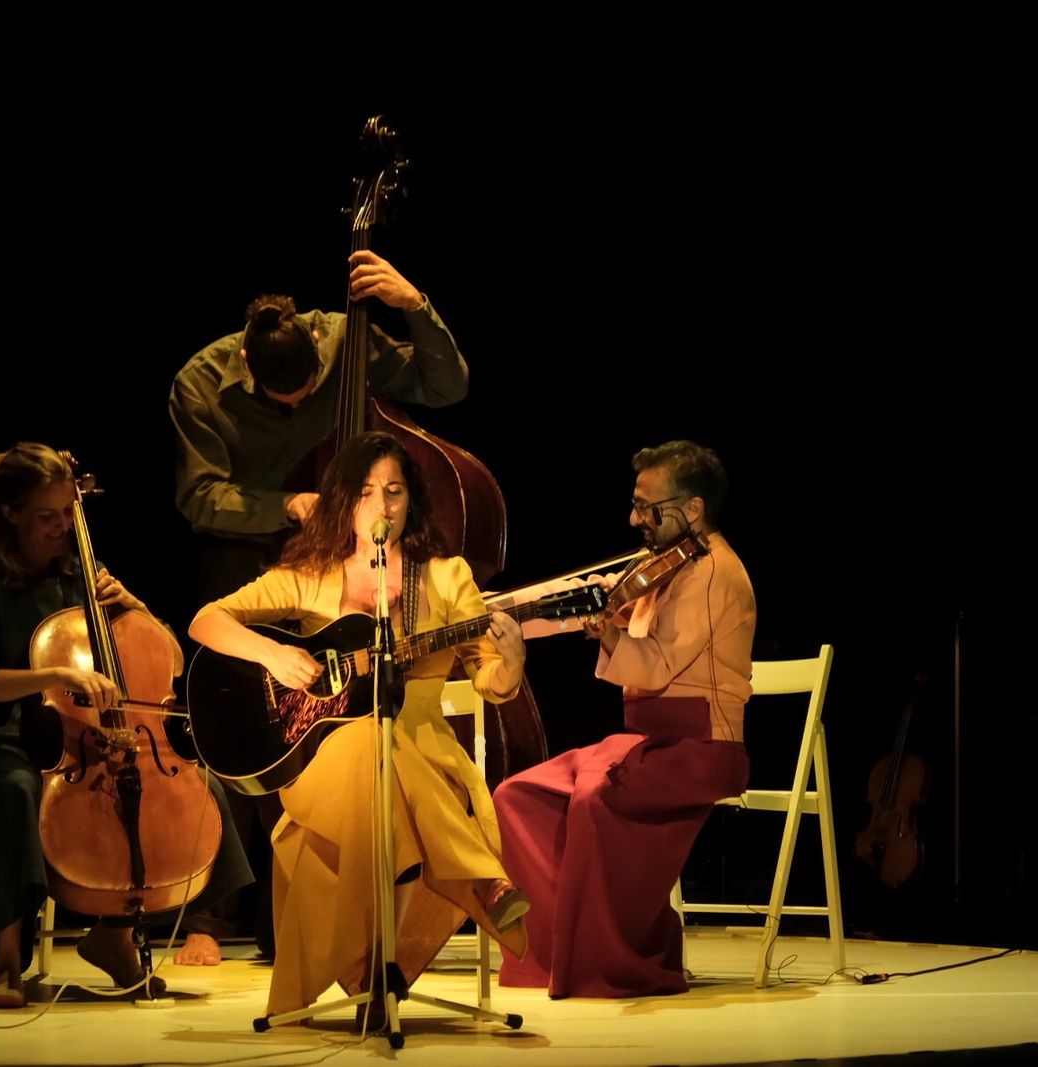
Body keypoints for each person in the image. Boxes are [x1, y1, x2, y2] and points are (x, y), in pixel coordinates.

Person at [188, 431, 529, 1028]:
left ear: (411, 502)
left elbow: (490, 679)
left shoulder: (446, 577)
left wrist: (515, 662)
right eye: (368, 492)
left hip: (422, 748)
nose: (383, 506)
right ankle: (482, 878)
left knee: (387, 747)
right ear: (346, 502)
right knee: (370, 742)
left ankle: (378, 972)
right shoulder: (308, 572)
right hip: (323, 757)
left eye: (395, 492)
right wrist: (272, 655)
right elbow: (205, 620)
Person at [0, 443, 251, 1008]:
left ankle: (114, 938)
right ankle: (8, 964)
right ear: (10, 514)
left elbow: (163, 657)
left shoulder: (84, 575)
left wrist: (138, 606)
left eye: (67, 513)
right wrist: (51, 674)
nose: (62, 526)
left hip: (78, 746)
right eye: (47, 516)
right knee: (17, 789)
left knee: (201, 793)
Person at [491, 440, 757, 998]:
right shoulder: (663, 568)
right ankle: (558, 952)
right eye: (635, 505)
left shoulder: (713, 575)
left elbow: (657, 667)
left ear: (692, 510)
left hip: (699, 747)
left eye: (647, 508)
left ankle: (614, 960)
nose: (634, 518)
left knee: (593, 800)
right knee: (518, 796)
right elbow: (574, 608)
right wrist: (498, 613)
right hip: (650, 741)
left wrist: (609, 632)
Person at [169, 251, 468, 606]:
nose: (297, 407)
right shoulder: (198, 385)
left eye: (308, 395)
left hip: (358, 549)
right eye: (284, 402)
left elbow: (444, 389)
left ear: (315, 341)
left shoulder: (343, 339)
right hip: (255, 547)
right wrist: (289, 505)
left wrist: (415, 306)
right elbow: (200, 496)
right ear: (247, 364)